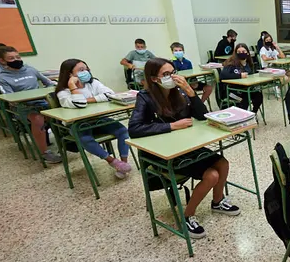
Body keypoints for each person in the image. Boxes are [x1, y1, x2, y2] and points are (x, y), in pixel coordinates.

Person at [128, 58, 241, 239]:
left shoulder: (178, 92)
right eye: (166, 74)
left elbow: (202, 116)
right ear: (154, 79)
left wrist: (190, 92)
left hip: (186, 145)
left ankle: (218, 201)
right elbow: (134, 129)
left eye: (173, 72)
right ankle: (187, 215)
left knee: (222, 163)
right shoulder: (145, 97)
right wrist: (172, 126)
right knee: (211, 175)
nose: (171, 77)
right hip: (163, 152)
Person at [55, 59, 132, 178]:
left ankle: (123, 164)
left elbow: (110, 94)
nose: (85, 72)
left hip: (98, 120)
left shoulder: (93, 83)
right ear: (69, 74)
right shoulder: (63, 92)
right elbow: (79, 104)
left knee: (122, 130)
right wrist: (72, 86)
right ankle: (112, 161)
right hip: (78, 124)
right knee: (85, 139)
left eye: (86, 69)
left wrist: (87, 100)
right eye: (81, 70)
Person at [0, 46, 61, 164]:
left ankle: (67, 143)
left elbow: (48, 83)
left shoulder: (31, 70)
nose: (16, 60)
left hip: (42, 102)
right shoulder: (2, 77)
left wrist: (47, 91)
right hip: (23, 107)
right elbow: (10, 99)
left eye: (18, 57)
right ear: (2, 61)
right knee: (38, 119)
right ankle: (45, 153)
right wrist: (26, 97)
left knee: (61, 113)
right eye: (11, 58)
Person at [220, 43, 262, 113]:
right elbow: (223, 75)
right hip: (231, 91)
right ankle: (242, 117)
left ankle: (253, 113)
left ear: (248, 53)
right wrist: (239, 76)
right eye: (239, 52)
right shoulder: (231, 63)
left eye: (243, 52)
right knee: (244, 99)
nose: (241, 53)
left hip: (244, 89)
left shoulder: (249, 64)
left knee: (258, 95)